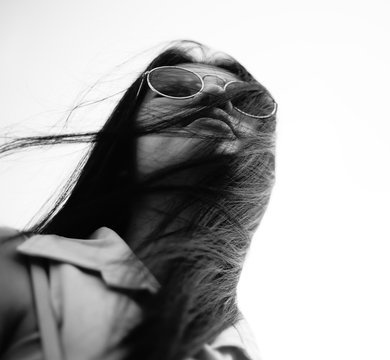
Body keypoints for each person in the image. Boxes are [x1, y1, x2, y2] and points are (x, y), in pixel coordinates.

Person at [0, 40, 277, 360]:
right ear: (125, 144)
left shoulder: (241, 346)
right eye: (176, 87)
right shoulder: (21, 266)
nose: (217, 96)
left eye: (243, 100)